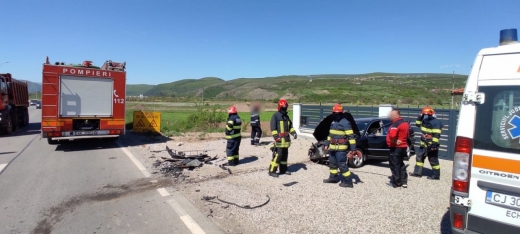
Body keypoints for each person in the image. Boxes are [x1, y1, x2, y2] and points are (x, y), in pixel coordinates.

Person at [322, 104, 356, 188]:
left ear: (342, 113)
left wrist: (353, 149)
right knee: (332, 164)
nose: (336, 115)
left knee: (342, 164)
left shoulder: (346, 123)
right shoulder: (333, 122)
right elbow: (330, 134)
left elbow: (351, 137)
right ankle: (333, 178)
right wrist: (327, 144)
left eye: (338, 113)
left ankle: (348, 182)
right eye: (335, 113)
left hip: (341, 148)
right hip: (332, 147)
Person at [410, 107, 443, 180]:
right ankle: (417, 173)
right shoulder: (424, 121)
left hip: (431, 145)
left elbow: (437, 134)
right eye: (424, 114)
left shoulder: (436, 122)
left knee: (433, 160)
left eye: (427, 114)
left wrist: (434, 144)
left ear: (431, 114)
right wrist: (420, 116)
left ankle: (436, 176)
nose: (426, 115)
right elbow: (417, 124)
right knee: (419, 158)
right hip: (423, 144)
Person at [268, 99, 297, 177]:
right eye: (283, 108)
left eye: (285, 108)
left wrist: (294, 133)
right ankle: (272, 171)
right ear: (280, 107)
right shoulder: (275, 116)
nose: (285, 109)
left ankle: (283, 170)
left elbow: (290, 127)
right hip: (279, 140)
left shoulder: (286, 117)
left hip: (286, 141)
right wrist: (276, 137)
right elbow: (273, 128)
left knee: (284, 156)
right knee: (278, 156)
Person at [386, 109, 409, 188]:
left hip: (395, 147)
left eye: (392, 115)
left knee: (394, 165)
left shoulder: (396, 124)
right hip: (403, 147)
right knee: (401, 164)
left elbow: (392, 135)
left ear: (397, 115)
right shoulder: (405, 123)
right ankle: (404, 181)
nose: (390, 116)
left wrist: (395, 140)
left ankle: (396, 183)